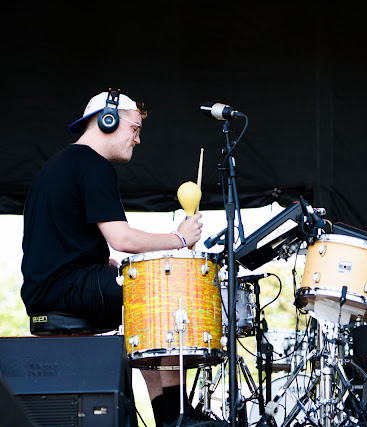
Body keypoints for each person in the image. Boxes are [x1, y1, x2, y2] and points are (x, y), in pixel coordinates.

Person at [21, 90, 215, 426]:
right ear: (107, 121)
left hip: (50, 288)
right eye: (135, 128)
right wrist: (179, 238)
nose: (138, 139)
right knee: (165, 297)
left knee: (143, 304)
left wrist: (103, 266)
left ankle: (169, 415)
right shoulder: (92, 164)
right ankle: (175, 416)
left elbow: (64, 243)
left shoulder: (62, 164)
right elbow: (122, 239)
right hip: (66, 289)